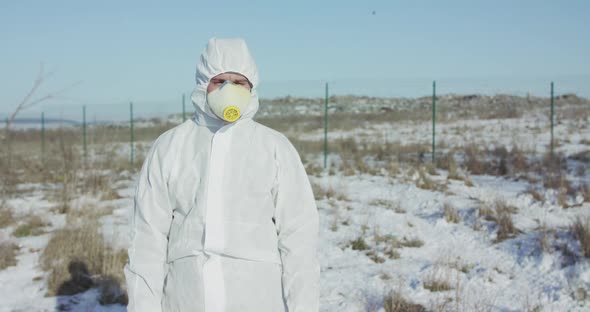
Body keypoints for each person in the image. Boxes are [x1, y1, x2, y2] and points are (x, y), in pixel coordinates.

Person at [124, 37, 320, 312]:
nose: (229, 90)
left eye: (239, 82)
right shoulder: (170, 146)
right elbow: (147, 238)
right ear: (203, 84)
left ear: (251, 87)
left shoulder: (274, 147)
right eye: (220, 81)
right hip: (186, 298)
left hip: (258, 298)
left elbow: (299, 237)